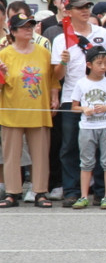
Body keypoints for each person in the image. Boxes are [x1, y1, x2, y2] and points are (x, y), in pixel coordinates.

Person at [51, 0, 106, 206]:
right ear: (67, 11)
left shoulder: (103, 33)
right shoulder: (61, 39)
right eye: (79, 7)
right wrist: (63, 62)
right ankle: (72, 190)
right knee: (70, 145)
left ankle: (101, 191)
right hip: (72, 98)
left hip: (99, 97)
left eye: (87, 6)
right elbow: (57, 77)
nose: (85, 10)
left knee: (100, 144)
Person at [0, 13, 58, 208]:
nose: (28, 29)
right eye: (24, 26)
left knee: (40, 154)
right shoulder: (4, 54)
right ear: (13, 31)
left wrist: (54, 96)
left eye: (31, 25)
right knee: (11, 155)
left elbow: (52, 79)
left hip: (38, 109)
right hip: (12, 110)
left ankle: (40, 191)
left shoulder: (43, 52)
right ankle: (12, 192)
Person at [69, 47, 106, 209]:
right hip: (86, 126)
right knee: (86, 162)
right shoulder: (81, 83)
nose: (103, 67)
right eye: (99, 63)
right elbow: (74, 106)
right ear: (89, 64)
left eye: (105, 63)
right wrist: (85, 109)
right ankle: (84, 196)